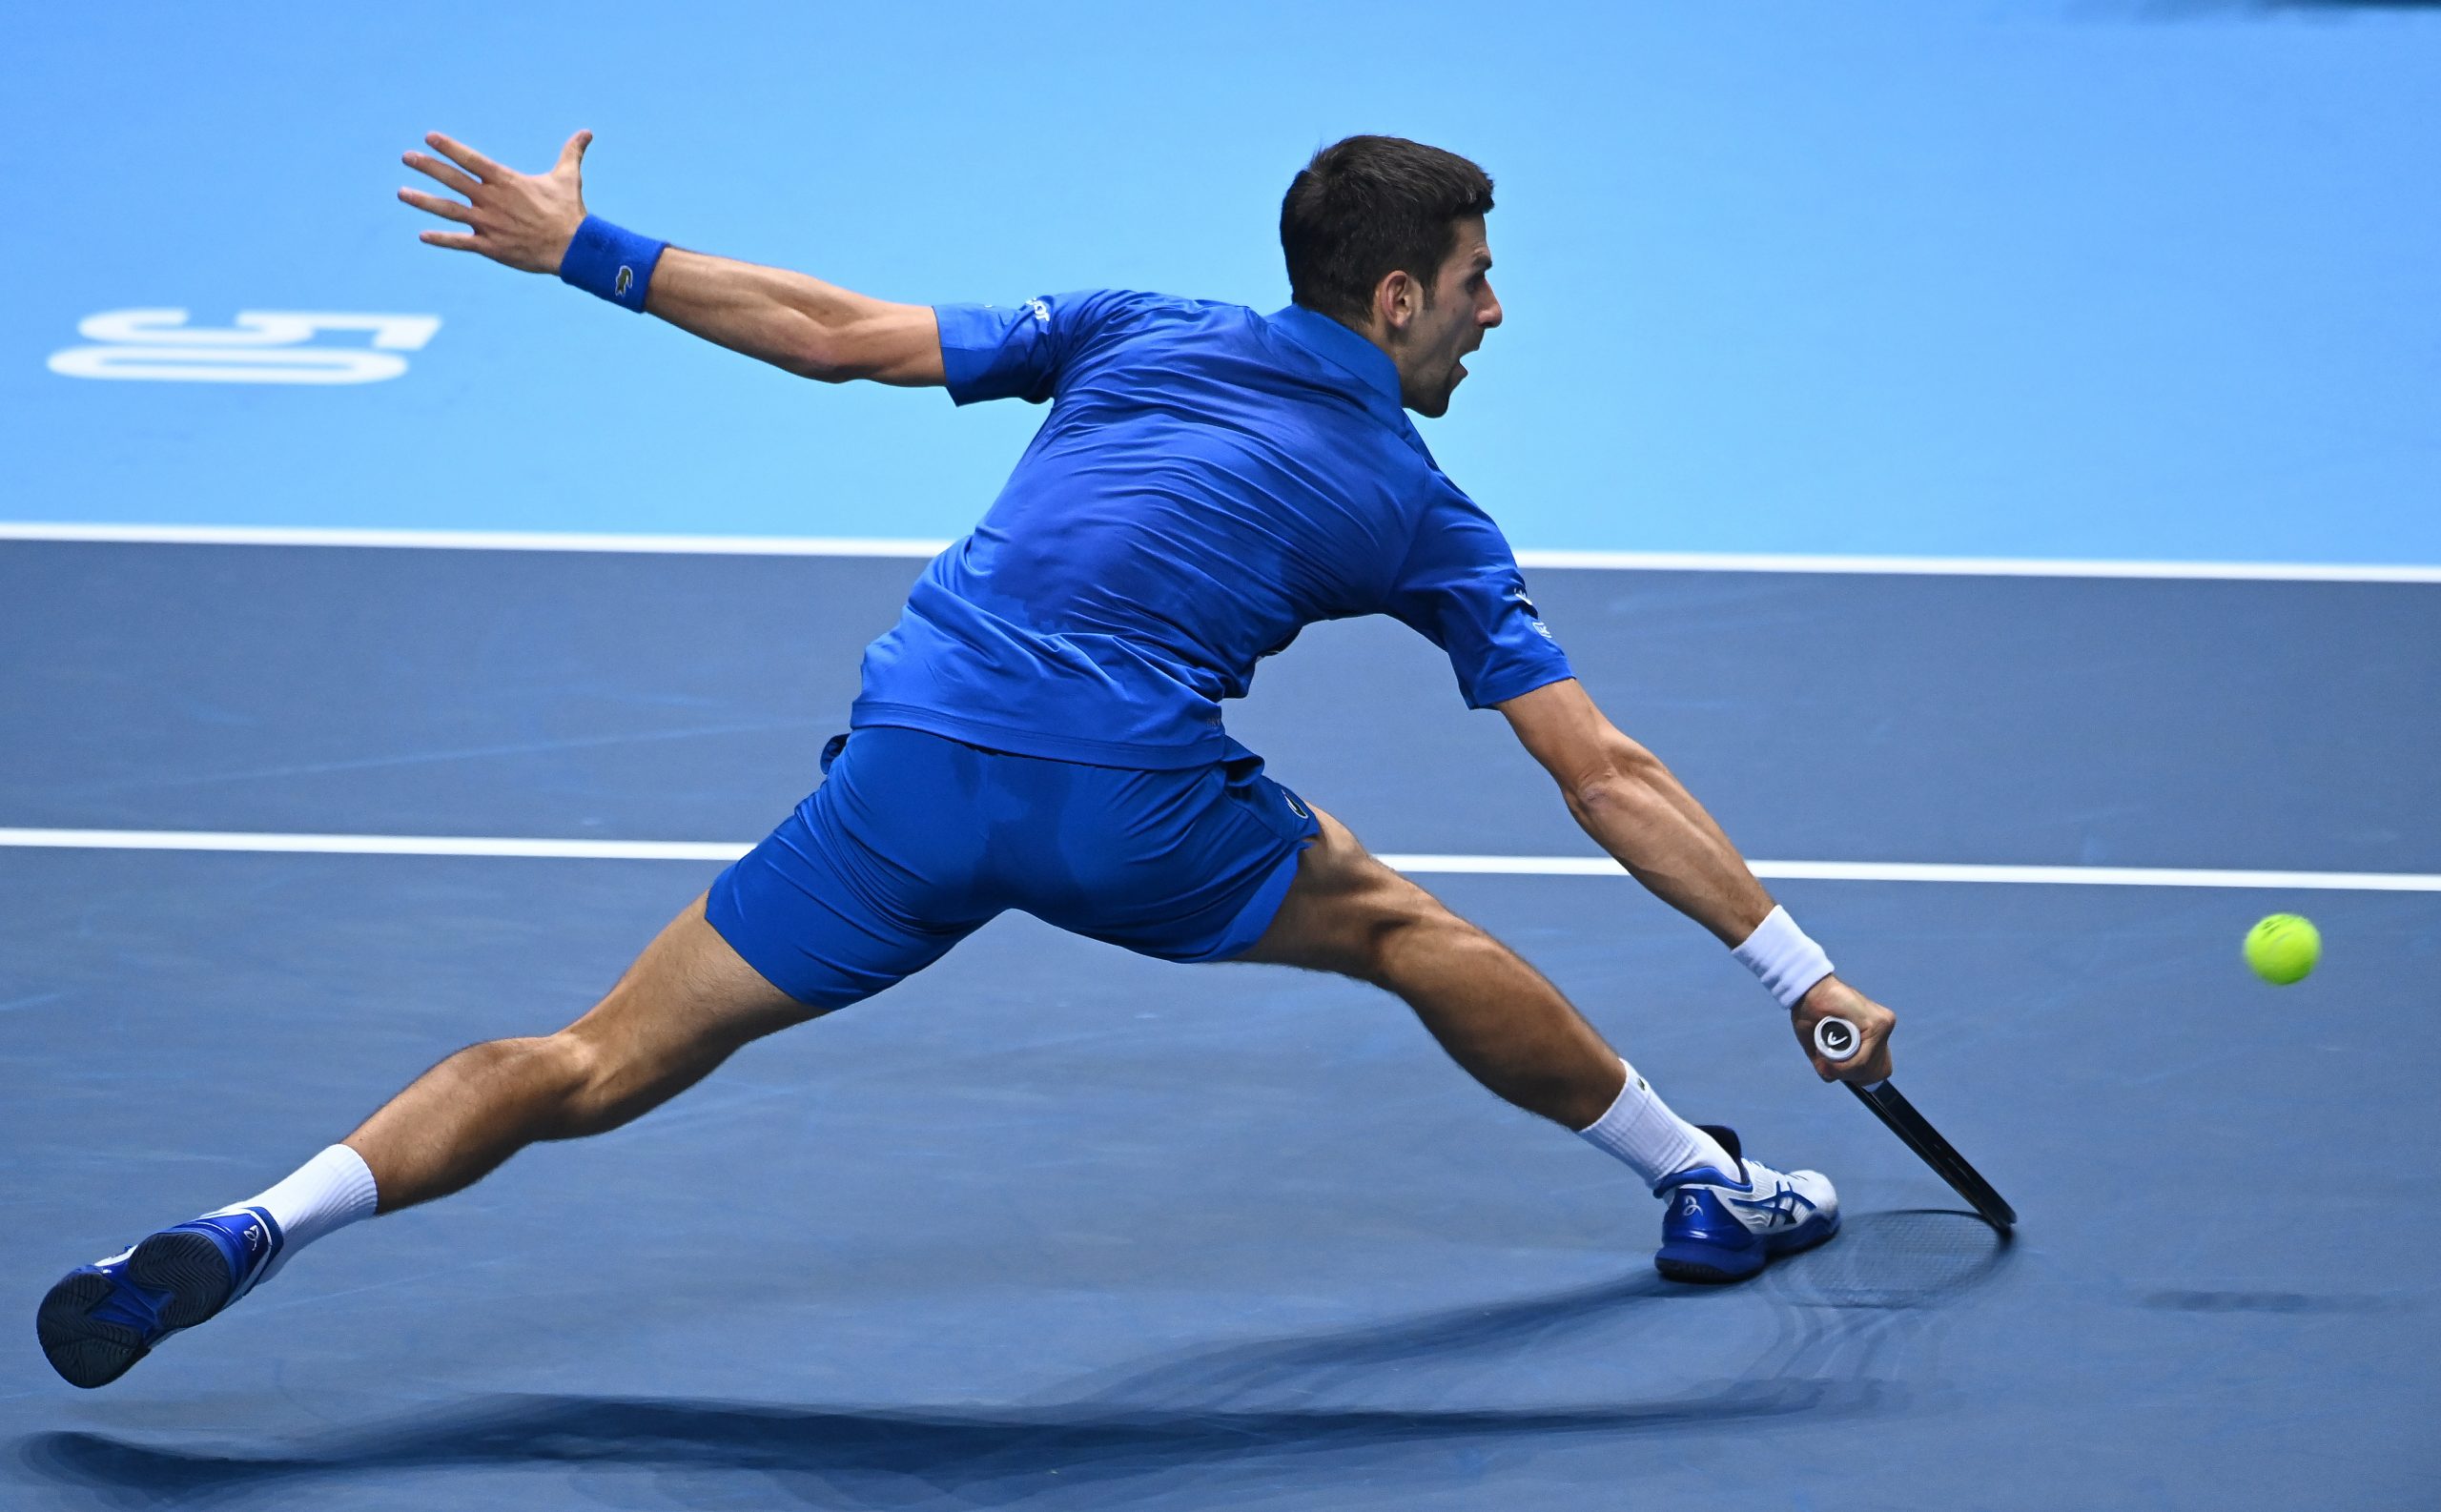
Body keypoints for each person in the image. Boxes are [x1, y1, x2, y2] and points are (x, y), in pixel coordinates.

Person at [38, 131, 1897, 1391]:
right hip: (1124, 806)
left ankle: (260, 1217)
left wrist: (580, 248)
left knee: (586, 1055)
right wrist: (1792, 968)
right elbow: (1604, 773)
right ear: (1395, 298)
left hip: (908, 767)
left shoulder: (1127, 330)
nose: (1496, 309)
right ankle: (1696, 1179)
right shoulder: (1423, 508)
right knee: (1401, 929)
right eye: (1478, 278)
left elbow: (838, 337)